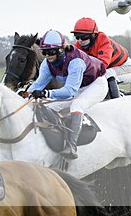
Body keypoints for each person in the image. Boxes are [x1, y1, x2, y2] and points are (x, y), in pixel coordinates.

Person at [26, 29, 108, 160]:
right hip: (79, 86)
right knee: (48, 106)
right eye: (44, 52)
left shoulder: (76, 61)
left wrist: (46, 93)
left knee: (77, 106)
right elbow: (38, 84)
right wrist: (25, 94)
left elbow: (70, 91)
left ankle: (71, 146)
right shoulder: (47, 64)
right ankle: (60, 133)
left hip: (96, 85)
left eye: (51, 52)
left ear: (61, 50)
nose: (48, 56)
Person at [71, 17, 131, 100]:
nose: (80, 40)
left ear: (93, 35)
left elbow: (101, 67)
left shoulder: (104, 42)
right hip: (110, 69)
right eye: (77, 37)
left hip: (128, 68)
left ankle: (117, 101)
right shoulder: (78, 46)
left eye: (84, 37)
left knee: (106, 74)